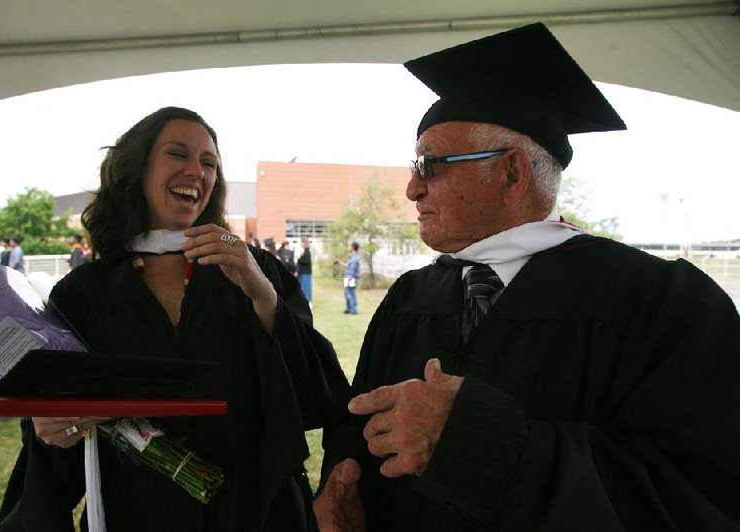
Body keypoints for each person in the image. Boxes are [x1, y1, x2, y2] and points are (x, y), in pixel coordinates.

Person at [315, 23, 740, 531]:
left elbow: (694, 497)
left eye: (430, 164)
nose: (411, 188)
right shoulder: (411, 295)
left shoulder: (662, 303)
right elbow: (359, 421)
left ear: (512, 172)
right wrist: (341, 485)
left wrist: (486, 446)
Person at [0, 106, 349, 531]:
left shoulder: (251, 270)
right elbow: (52, 422)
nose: (196, 171)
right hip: (137, 513)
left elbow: (316, 392)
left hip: (257, 511)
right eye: (177, 154)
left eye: (209, 163)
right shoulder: (84, 293)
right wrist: (56, 429)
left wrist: (263, 295)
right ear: (137, 168)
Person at [342, 242, 360, 315]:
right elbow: (348, 265)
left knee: (351, 294)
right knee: (347, 294)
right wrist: (339, 263)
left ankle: (353, 310)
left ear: (353, 248)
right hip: (348, 277)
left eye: (349, 246)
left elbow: (353, 268)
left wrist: (350, 277)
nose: (348, 247)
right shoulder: (351, 257)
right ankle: (349, 309)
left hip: (351, 278)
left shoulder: (355, 258)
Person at [296, 238, 313, 305]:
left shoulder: (307, 251)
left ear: (304, 243)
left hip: (305, 273)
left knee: (306, 288)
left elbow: (307, 262)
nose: (300, 244)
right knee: (303, 288)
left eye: (301, 242)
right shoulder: (304, 251)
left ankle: (308, 302)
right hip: (302, 272)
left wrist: (299, 259)